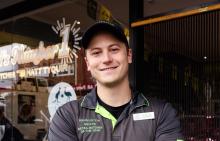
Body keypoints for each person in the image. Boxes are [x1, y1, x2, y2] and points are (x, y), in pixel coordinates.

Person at [48, 21, 184, 141]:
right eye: (96, 52)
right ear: (87, 63)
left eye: (114, 49)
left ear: (129, 55)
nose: (106, 59)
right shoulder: (67, 116)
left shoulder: (162, 113)